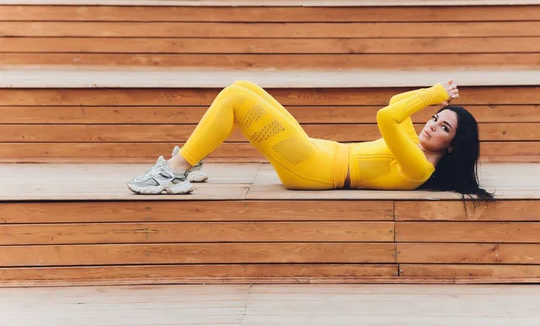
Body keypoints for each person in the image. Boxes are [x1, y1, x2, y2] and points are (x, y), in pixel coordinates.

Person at [128, 79, 493, 202]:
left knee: (235, 100)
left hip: (312, 170)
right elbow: (398, 105)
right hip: (317, 153)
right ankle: (194, 158)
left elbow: (387, 116)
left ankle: (174, 172)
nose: (430, 125)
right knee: (243, 87)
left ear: (452, 147)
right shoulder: (415, 147)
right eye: (434, 119)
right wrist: (432, 98)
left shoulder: (418, 168)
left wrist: (431, 95)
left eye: (443, 128)